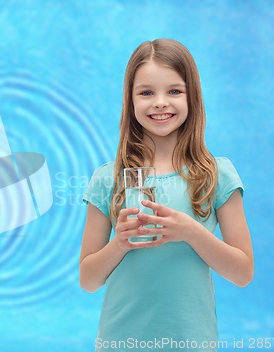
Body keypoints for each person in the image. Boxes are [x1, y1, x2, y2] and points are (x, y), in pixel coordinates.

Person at [79, 39, 254, 352]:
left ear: (193, 98)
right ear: (130, 101)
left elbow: (242, 273)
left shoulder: (216, 174)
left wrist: (189, 231)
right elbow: (88, 280)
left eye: (174, 91)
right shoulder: (109, 179)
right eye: (146, 92)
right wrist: (119, 243)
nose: (160, 102)